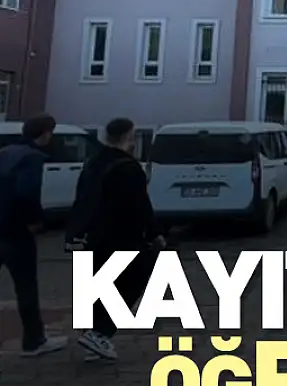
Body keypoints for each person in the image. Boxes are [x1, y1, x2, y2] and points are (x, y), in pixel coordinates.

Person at [68, 117, 164, 361]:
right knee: (134, 278)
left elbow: (82, 198)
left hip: (91, 235)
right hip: (120, 235)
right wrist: (154, 233)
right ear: (128, 137)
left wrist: (74, 232)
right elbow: (139, 205)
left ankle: (91, 337)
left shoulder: (93, 163)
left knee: (96, 285)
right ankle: (100, 332)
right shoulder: (128, 167)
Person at [0, 114, 67, 357]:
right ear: (45, 134)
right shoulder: (32, 158)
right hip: (16, 232)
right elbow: (27, 192)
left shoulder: (5, 153)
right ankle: (34, 339)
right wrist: (35, 221)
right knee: (26, 287)